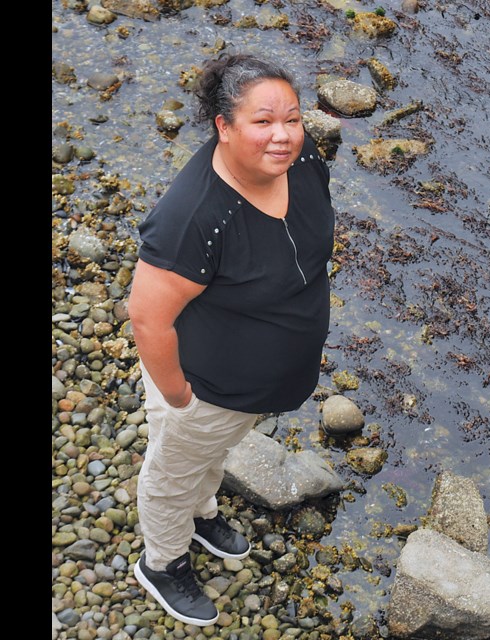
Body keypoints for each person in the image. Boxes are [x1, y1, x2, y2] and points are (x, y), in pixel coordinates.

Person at [127, 53, 335, 626]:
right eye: (263, 121)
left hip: (250, 389)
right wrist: (178, 398)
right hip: (205, 385)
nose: (284, 135)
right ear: (223, 127)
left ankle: (201, 514)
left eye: (292, 118)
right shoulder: (194, 218)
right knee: (174, 469)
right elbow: (147, 318)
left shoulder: (303, 158)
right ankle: (163, 561)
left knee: (210, 454)